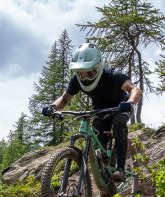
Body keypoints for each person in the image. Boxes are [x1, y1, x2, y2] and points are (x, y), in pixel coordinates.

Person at [42, 43, 142, 181]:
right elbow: (64, 99)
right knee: (98, 141)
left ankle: (121, 168)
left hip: (120, 106)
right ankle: (104, 177)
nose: (85, 77)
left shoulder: (112, 75)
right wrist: (52, 107)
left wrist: (130, 103)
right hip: (99, 110)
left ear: (98, 66)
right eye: (81, 73)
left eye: (89, 72)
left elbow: (134, 89)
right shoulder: (77, 80)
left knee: (119, 124)